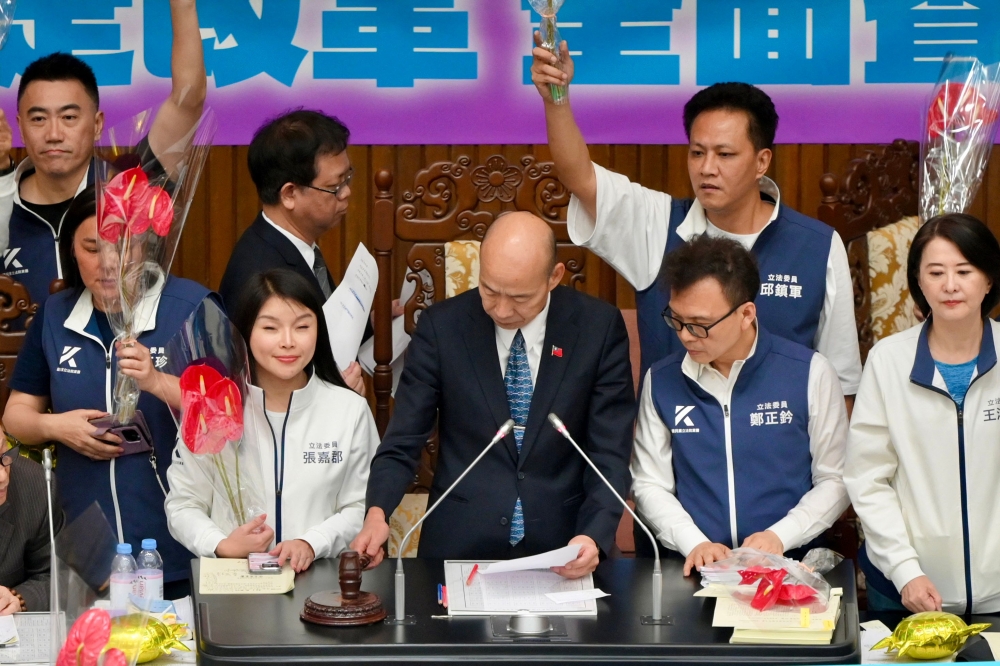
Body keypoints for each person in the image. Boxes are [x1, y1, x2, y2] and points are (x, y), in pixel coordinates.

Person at [530, 44, 861, 408]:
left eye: (725, 154)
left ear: (762, 161)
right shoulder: (657, 223)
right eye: (697, 152)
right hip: (671, 453)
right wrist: (556, 102)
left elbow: (841, 385)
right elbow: (581, 178)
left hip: (781, 455)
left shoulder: (817, 246)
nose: (706, 168)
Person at [351, 212, 635, 577]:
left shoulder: (597, 328)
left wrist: (593, 535)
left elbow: (607, 453)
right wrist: (377, 513)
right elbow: (404, 438)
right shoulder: (442, 328)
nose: (501, 310)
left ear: (555, 276)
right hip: (459, 545)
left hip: (567, 546)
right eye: (489, 290)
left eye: (519, 297)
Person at [2, 188, 216, 599]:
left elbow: (228, 412)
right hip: (85, 547)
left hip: (176, 539)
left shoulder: (190, 307)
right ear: (72, 252)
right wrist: (56, 426)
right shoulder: (55, 314)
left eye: (123, 246)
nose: (109, 264)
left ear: (145, 246)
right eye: (91, 248)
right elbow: (16, 416)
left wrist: (156, 381)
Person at [631, 235, 849, 575]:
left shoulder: (808, 373)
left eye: (700, 325)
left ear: (746, 313)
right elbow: (649, 483)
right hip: (694, 571)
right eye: (676, 319)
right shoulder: (662, 381)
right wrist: (694, 543)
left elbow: (835, 479)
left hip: (790, 569)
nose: (686, 335)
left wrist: (779, 536)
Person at [165, 269, 379, 573]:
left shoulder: (350, 411)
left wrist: (311, 542)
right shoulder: (214, 408)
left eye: (302, 326)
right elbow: (183, 504)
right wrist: (221, 544)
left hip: (323, 587)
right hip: (234, 584)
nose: (288, 342)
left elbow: (363, 506)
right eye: (271, 328)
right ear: (246, 332)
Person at [0, 0, 206, 311]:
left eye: (69, 117)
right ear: (20, 127)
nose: (53, 133)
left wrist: (184, 6)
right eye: (38, 118)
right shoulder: (4, 201)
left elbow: (187, 100)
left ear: (97, 125)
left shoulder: (131, 186)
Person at [845, 214, 1000, 614]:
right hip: (905, 591)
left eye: (964, 271)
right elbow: (867, 478)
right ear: (918, 281)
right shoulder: (888, 361)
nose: (950, 285)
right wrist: (904, 569)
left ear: (988, 279)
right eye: (936, 272)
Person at [218, 110, 370, 395]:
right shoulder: (263, 272)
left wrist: (380, 319)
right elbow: (261, 384)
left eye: (347, 178)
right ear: (289, 194)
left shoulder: (293, 245)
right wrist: (333, 395)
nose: (346, 193)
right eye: (334, 187)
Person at [0, 432, 65, 614]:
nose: (3, 477)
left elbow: (55, 575)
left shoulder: (36, 486)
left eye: (3, 455)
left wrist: (16, 598)